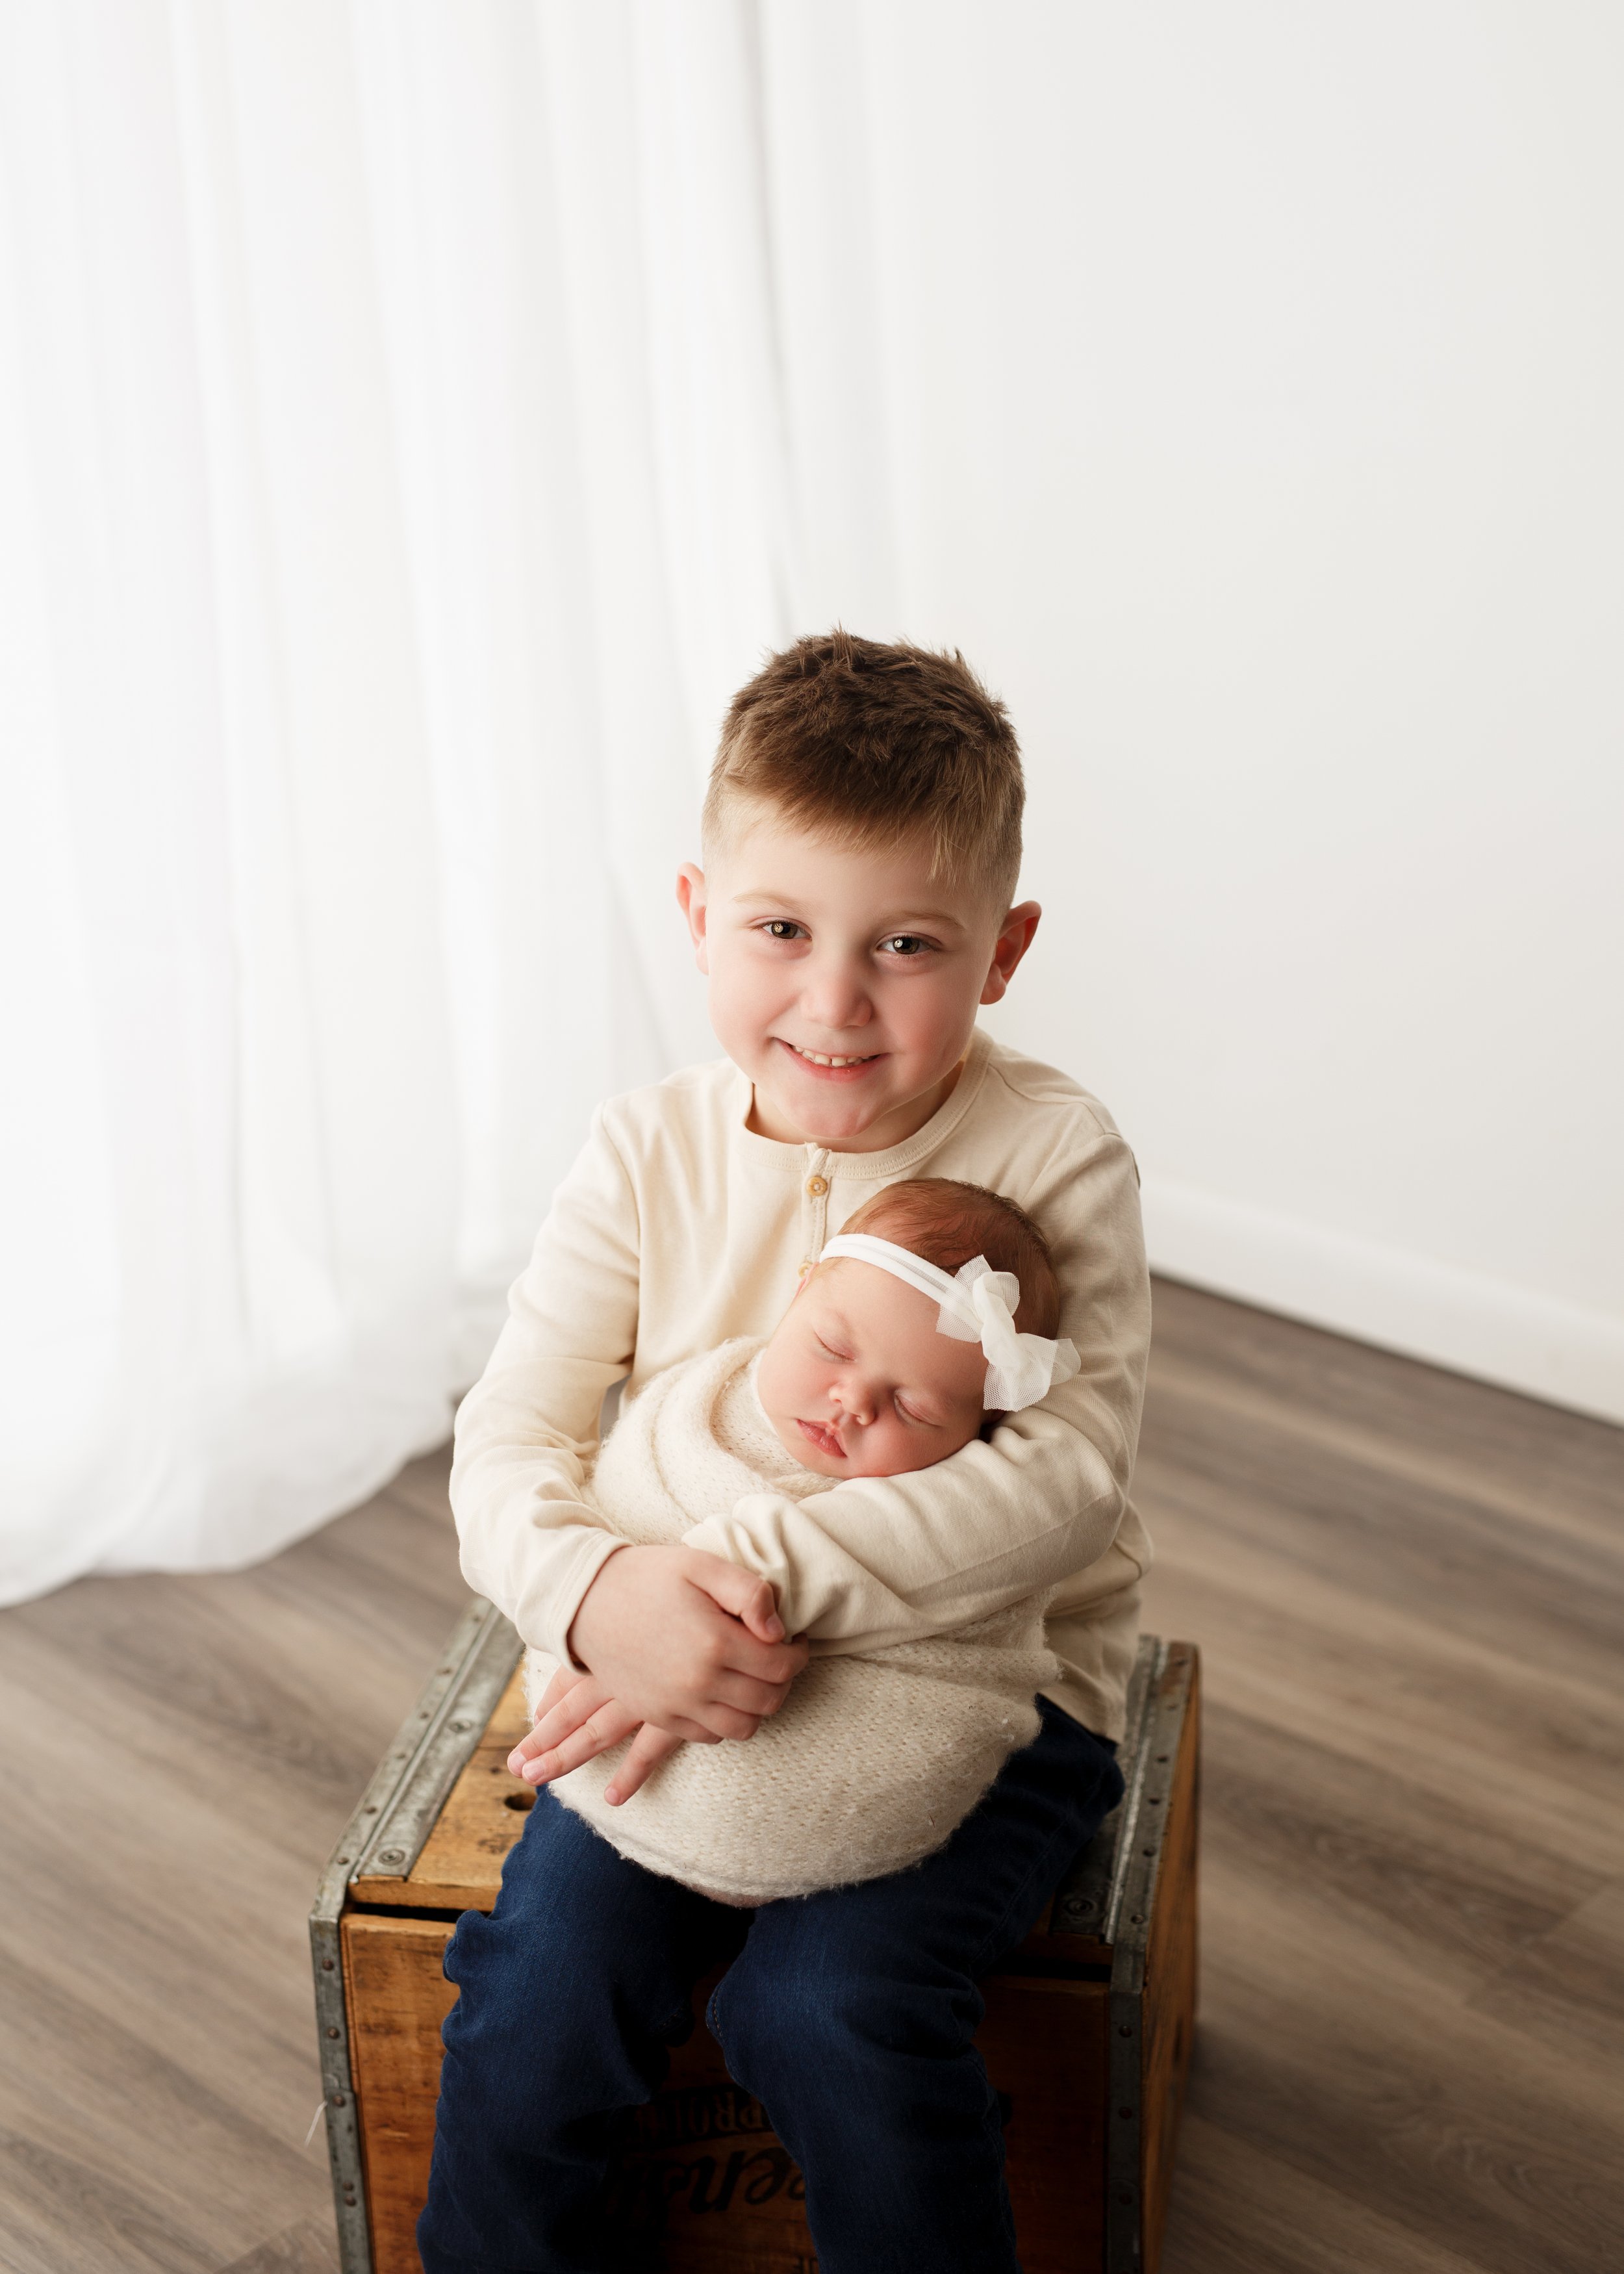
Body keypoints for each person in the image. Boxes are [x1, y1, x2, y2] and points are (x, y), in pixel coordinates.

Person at [419, 630, 1152, 2274]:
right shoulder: (641, 1154)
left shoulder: (1053, 1155)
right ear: (698, 917)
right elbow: (511, 1439)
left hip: (992, 1684)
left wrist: (750, 1585)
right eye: (778, 930)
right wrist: (604, 1597)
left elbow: (1064, 1480)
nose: (833, 1002)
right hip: (662, 1663)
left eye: (906, 943)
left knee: (834, 2006)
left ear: (1004, 948)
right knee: (539, 1989)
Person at [510, 1177, 1081, 1906]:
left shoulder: (965, 1503)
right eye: (831, 1346)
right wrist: (622, 1618)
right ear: (800, 1289)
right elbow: (617, 1504)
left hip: (853, 1823)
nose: (853, 1401)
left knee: (832, 2004)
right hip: (622, 1794)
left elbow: (976, 1638)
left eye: (912, 1404)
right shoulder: (690, 1412)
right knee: (541, 1971)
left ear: (978, 1428)